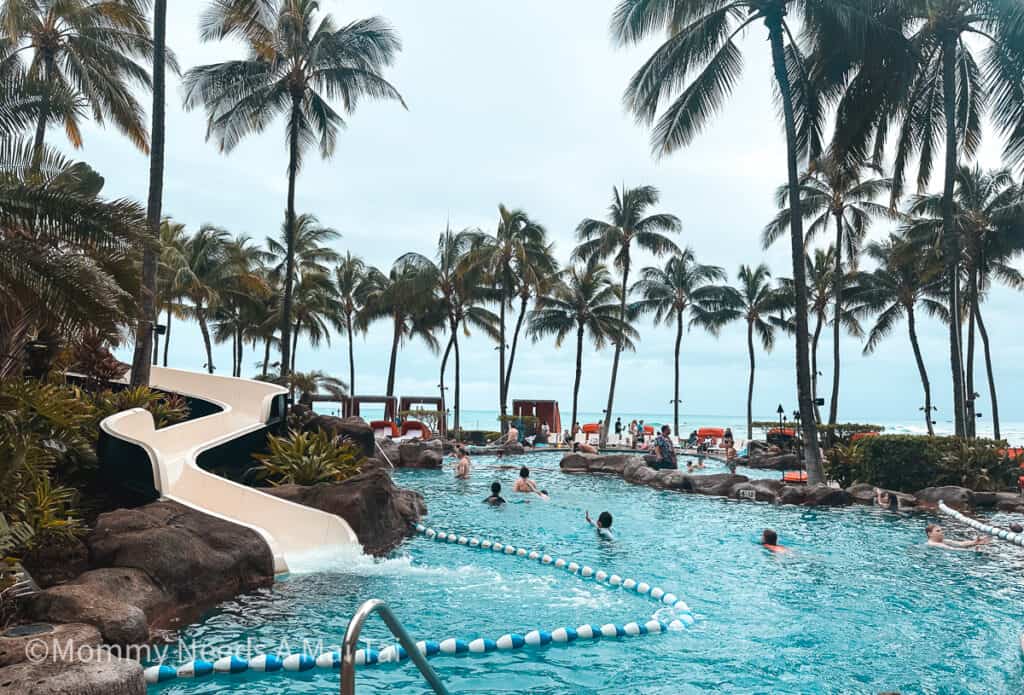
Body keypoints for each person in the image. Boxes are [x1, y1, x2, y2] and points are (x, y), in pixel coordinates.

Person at [925, 524, 990, 550]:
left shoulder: (944, 541)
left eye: (941, 530)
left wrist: (975, 542)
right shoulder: (933, 544)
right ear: (930, 534)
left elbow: (960, 544)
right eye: (938, 531)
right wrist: (972, 550)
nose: (941, 532)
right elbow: (953, 549)